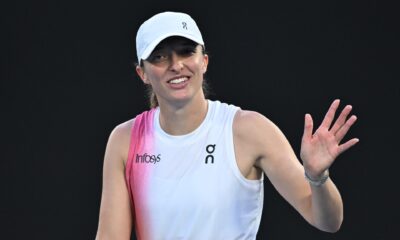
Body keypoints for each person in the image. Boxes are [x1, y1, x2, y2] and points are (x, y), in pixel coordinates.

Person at [95, 11, 359, 240]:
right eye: (160, 57)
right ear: (143, 74)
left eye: (186, 52)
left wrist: (317, 177)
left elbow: (327, 221)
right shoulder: (125, 140)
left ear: (204, 61)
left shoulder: (249, 130)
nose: (176, 65)